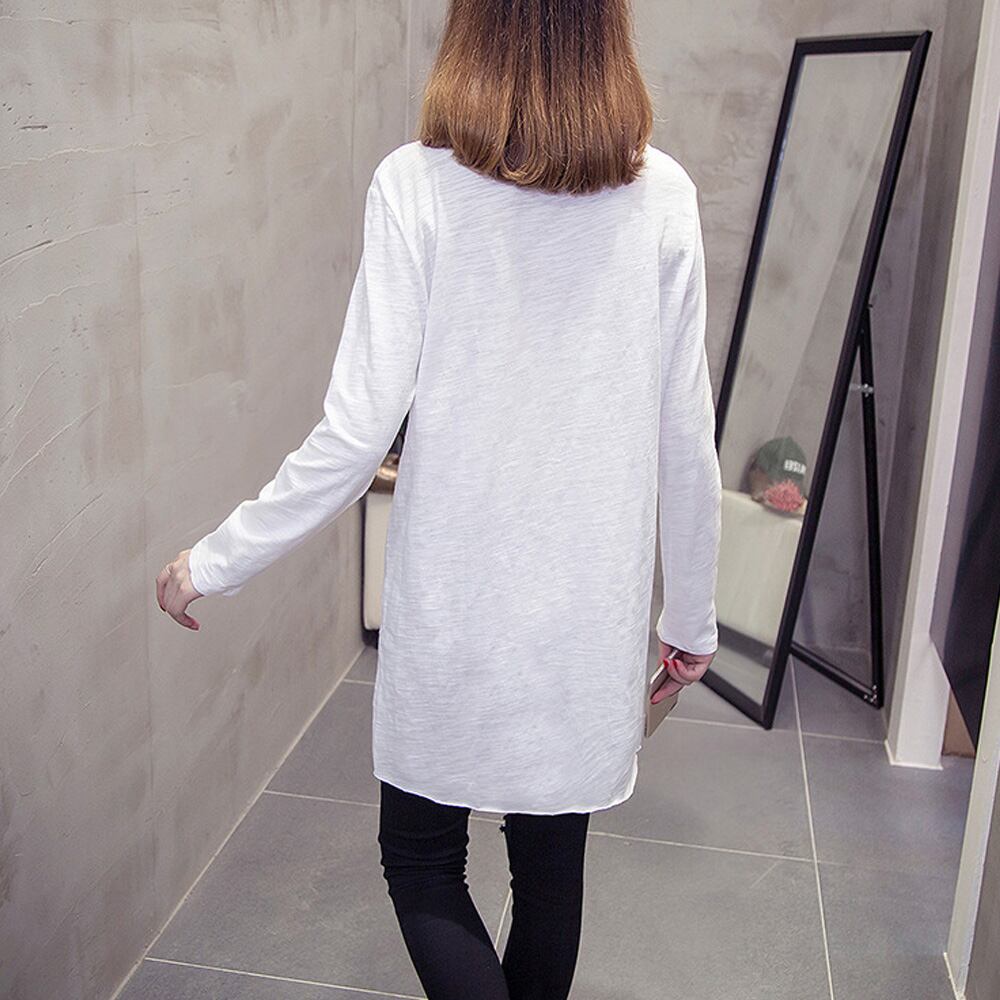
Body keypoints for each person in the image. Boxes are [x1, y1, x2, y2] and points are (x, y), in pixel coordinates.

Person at [155, 0, 722, 996]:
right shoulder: (662, 196)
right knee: (550, 871)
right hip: (587, 620)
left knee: (421, 859)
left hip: (456, 610)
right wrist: (691, 622)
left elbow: (353, 436)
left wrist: (213, 561)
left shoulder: (413, 186)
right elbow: (687, 441)